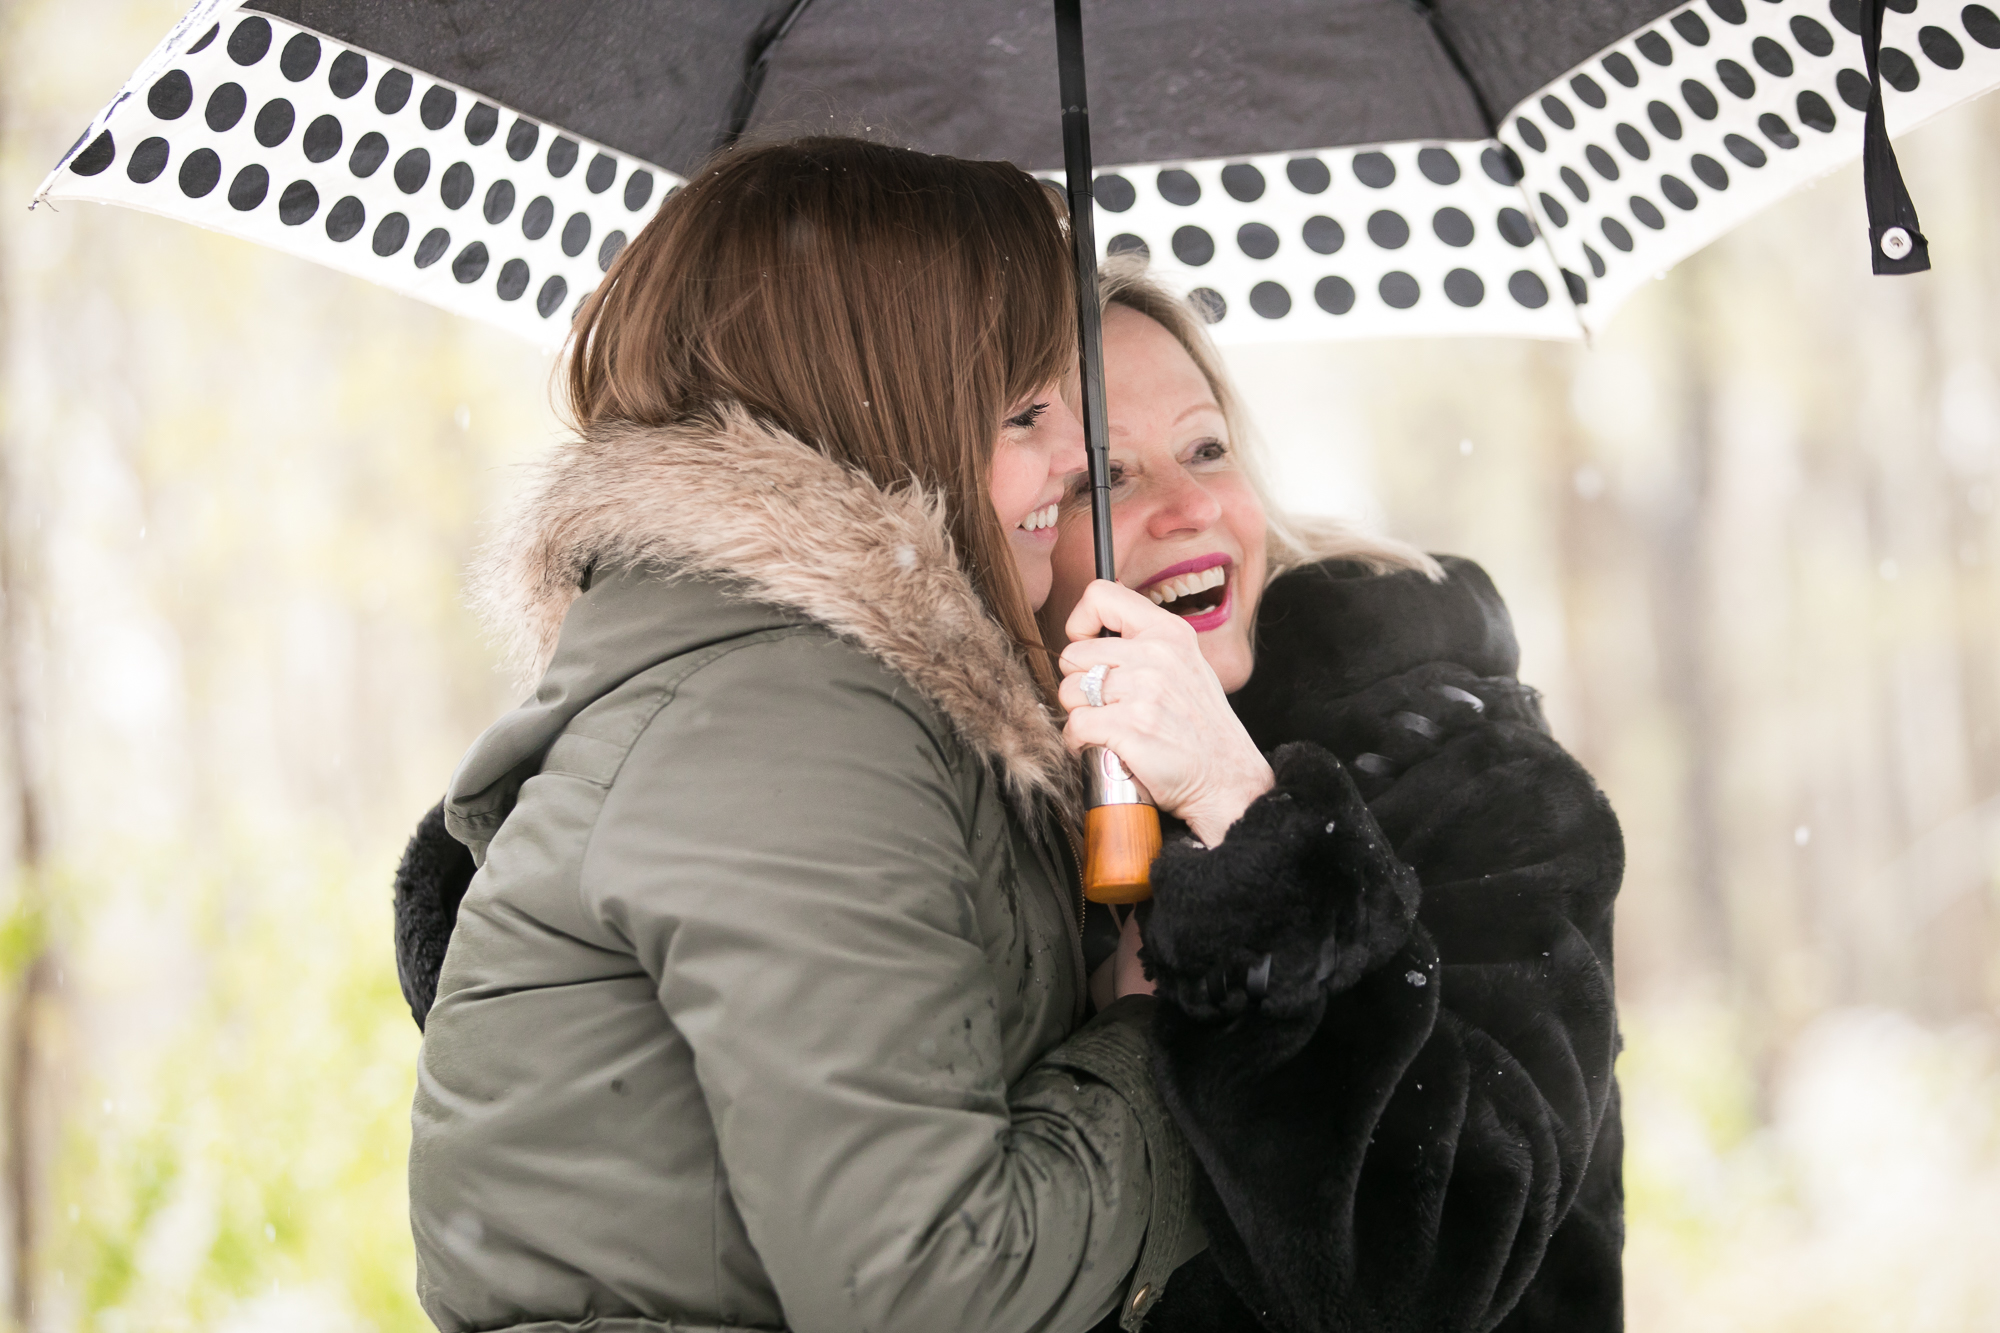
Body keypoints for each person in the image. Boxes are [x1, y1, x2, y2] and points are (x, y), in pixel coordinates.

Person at [400, 138, 1208, 1333]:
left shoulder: (803, 691)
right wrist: (1152, 1045)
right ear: (883, 414)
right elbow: (937, 1288)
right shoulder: (788, 722)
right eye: (1024, 412)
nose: (1066, 466)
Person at [1041, 257, 1626, 1333]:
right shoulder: (986, 805)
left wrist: (1246, 821)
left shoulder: (1451, 753)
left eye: (1206, 448)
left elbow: (1432, 1271)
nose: (1188, 507)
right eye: (1102, 476)